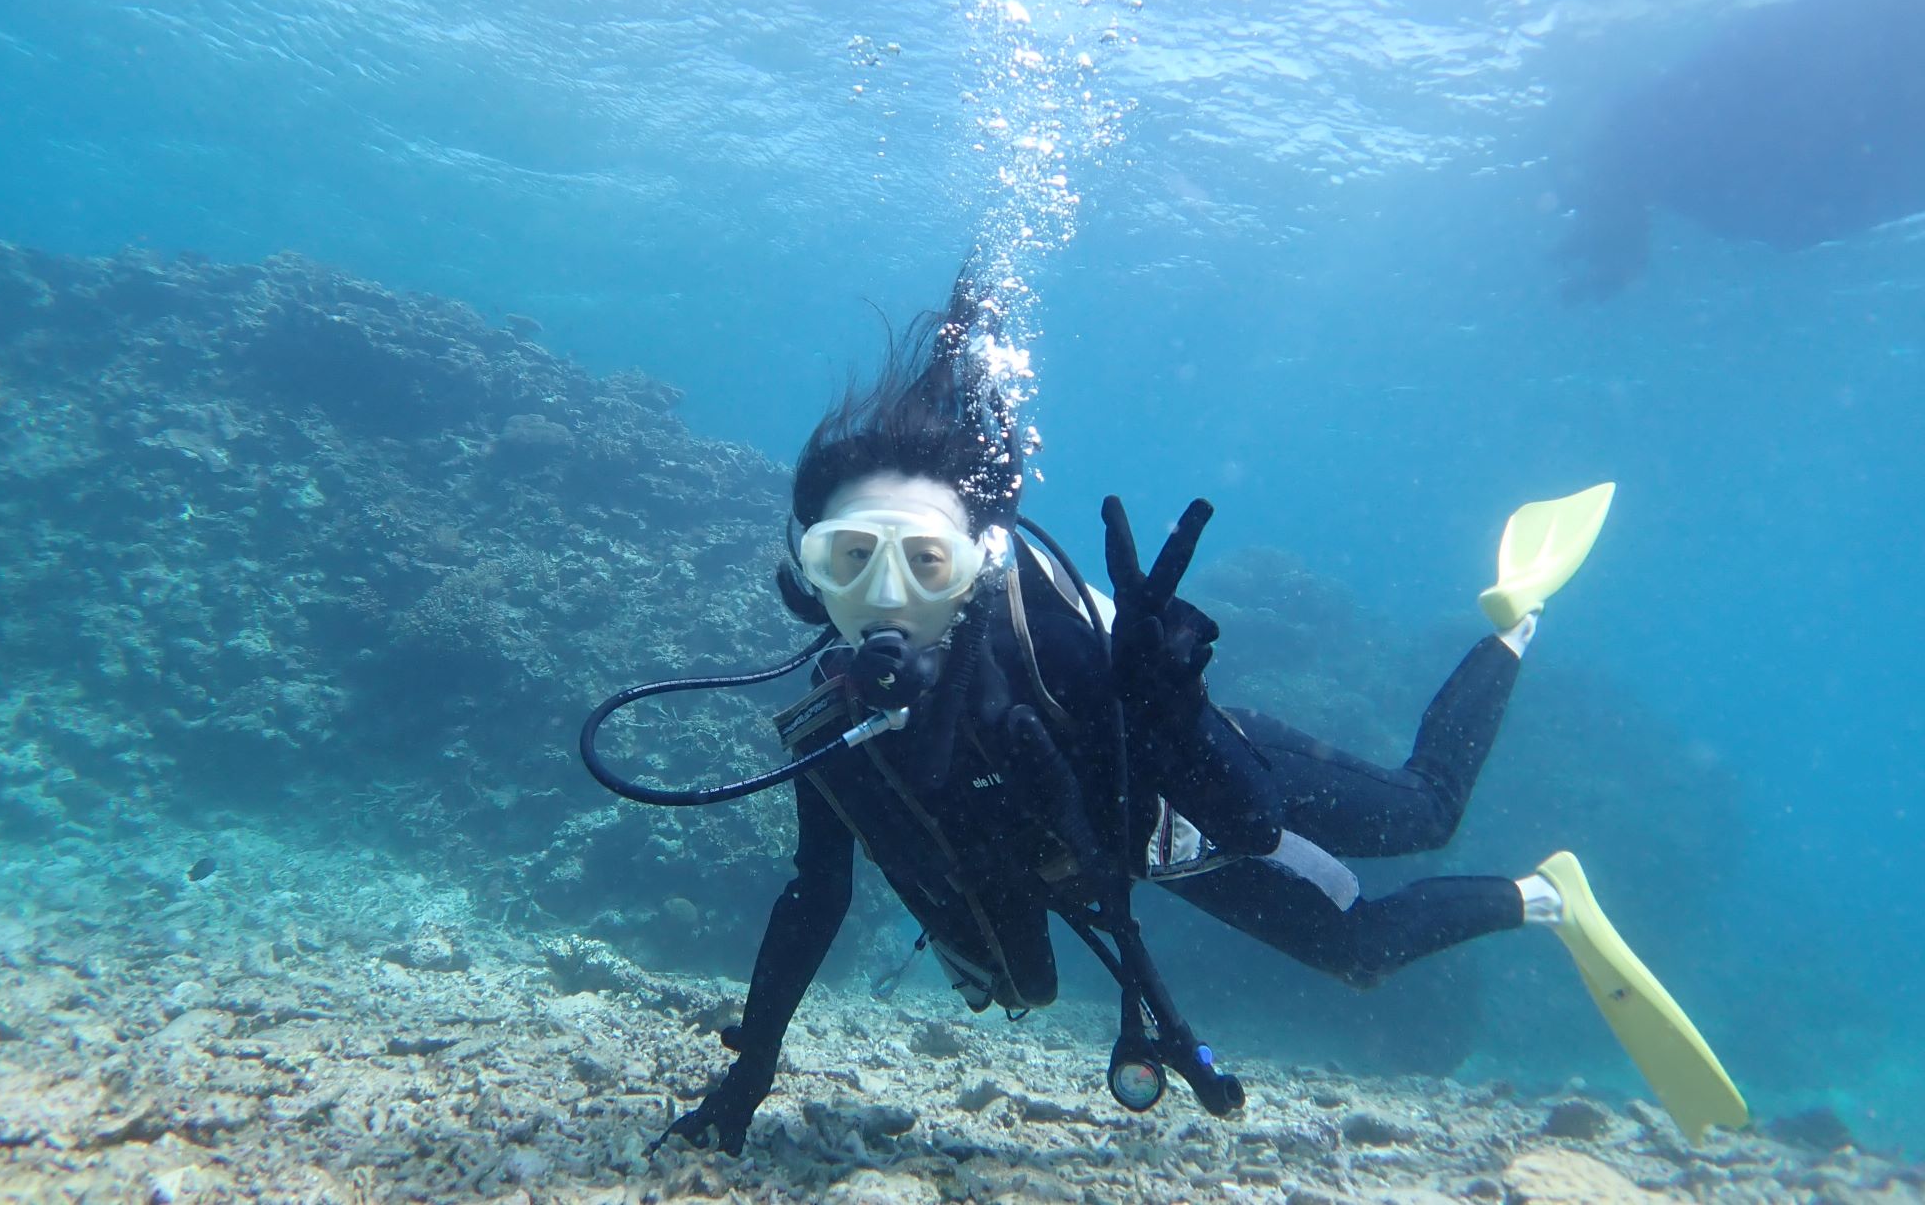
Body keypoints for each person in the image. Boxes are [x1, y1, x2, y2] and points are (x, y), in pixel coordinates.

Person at [579, 261, 1746, 1155]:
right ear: (804, 572)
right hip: (1129, 849)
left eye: (923, 561)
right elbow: (816, 891)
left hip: (1189, 784)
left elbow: (1243, 823)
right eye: (848, 559)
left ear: (975, 564)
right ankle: (1545, 896)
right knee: (1359, 953)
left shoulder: (1061, 650)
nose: (885, 598)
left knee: (1419, 813)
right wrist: (742, 1081)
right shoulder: (838, 729)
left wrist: (1164, 703)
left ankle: (1515, 623)